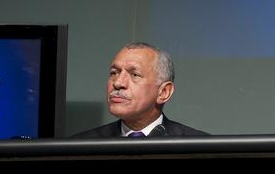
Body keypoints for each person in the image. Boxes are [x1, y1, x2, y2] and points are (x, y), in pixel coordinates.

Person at [73, 42, 208, 138]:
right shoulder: (79, 146)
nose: (118, 83)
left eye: (134, 75)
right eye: (114, 73)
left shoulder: (200, 147)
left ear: (164, 92)